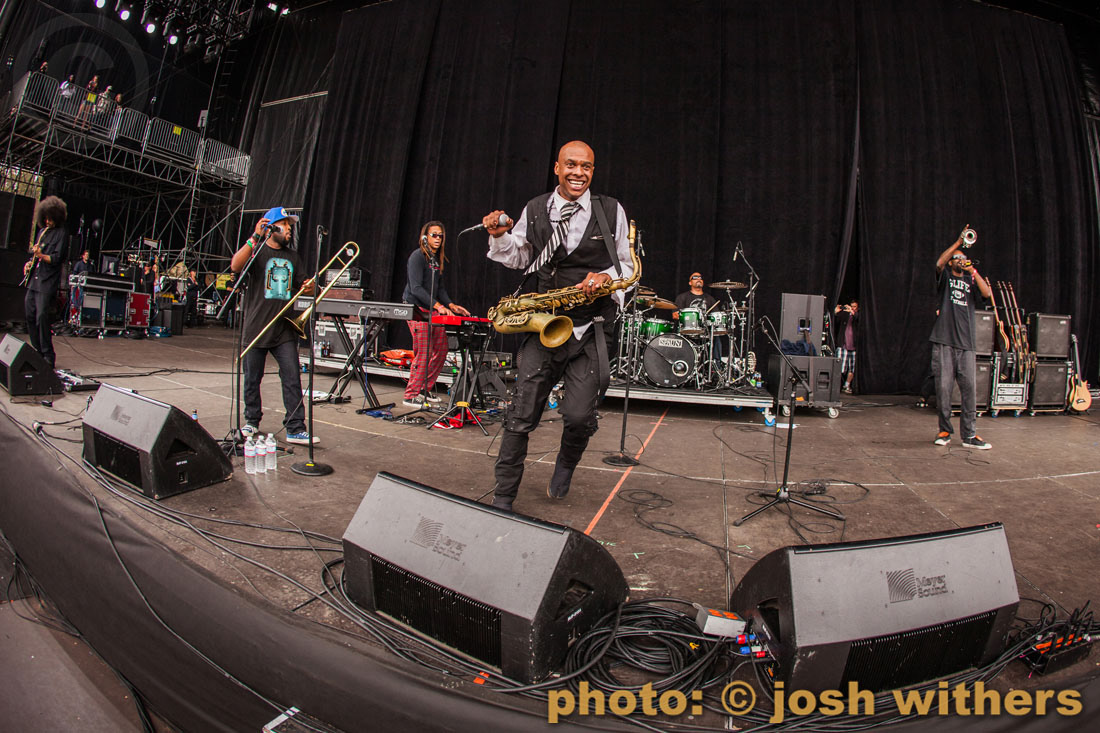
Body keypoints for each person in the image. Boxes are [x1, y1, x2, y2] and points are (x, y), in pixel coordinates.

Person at [482, 140, 633, 511]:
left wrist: (606, 276)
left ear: (593, 171)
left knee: (580, 417)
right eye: (571, 165)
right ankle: (503, 497)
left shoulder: (611, 210)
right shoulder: (535, 208)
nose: (578, 173)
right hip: (545, 325)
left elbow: (627, 267)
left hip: (592, 327)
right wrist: (499, 236)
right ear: (557, 168)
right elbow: (520, 256)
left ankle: (566, 463)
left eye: (586, 166)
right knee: (520, 414)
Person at [230, 206, 318, 446]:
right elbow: (235, 266)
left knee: (292, 377)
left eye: (290, 226)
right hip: (257, 326)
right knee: (252, 379)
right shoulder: (256, 252)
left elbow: (303, 284)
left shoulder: (293, 257)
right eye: (285, 224)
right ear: (271, 226)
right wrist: (254, 237)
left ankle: (295, 427)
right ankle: (251, 421)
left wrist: (309, 287)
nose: (289, 229)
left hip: (284, 329)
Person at [930, 230, 993, 449]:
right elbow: (939, 263)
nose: (960, 261)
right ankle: (945, 430)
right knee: (944, 390)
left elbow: (987, 294)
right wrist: (958, 242)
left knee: (969, 392)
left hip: (967, 344)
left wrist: (972, 270)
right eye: (957, 258)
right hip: (944, 341)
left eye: (963, 258)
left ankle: (970, 435)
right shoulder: (946, 278)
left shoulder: (970, 281)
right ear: (951, 263)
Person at [400, 221, 469, 407]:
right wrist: (438, 306)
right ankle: (411, 394)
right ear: (425, 237)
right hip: (417, 309)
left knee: (441, 349)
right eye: (434, 235)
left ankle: (424, 388)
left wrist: (451, 305)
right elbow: (416, 288)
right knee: (424, 352)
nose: (438, 238)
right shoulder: (417, 257)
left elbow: (440, 289)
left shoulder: (435, 260)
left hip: (431, 310)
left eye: (440, 235)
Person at [23, 195, 68, 369]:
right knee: (29, 313)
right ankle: (38, 351)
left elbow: (57, 258)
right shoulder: (42, 233)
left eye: (51, 218)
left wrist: (41, 255)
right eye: (46, 218)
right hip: (35, 279)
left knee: (42, 316)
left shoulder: (61, 233)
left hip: (47, 281)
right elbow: (36, 256)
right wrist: (30, 263)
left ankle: (48, 354)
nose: (48, 221)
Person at [833, 299, 859, 393]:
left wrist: (851, 311)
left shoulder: (857, 316)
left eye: (854, 307)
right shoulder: (845, 315)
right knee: (839, 367)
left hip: (853, 347)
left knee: (852, 368)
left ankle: (846, 385)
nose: (852, 308)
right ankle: (836, 387)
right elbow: (837, 319)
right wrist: (837, 312)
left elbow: (857, 317)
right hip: (843, 346)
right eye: (851, 306)